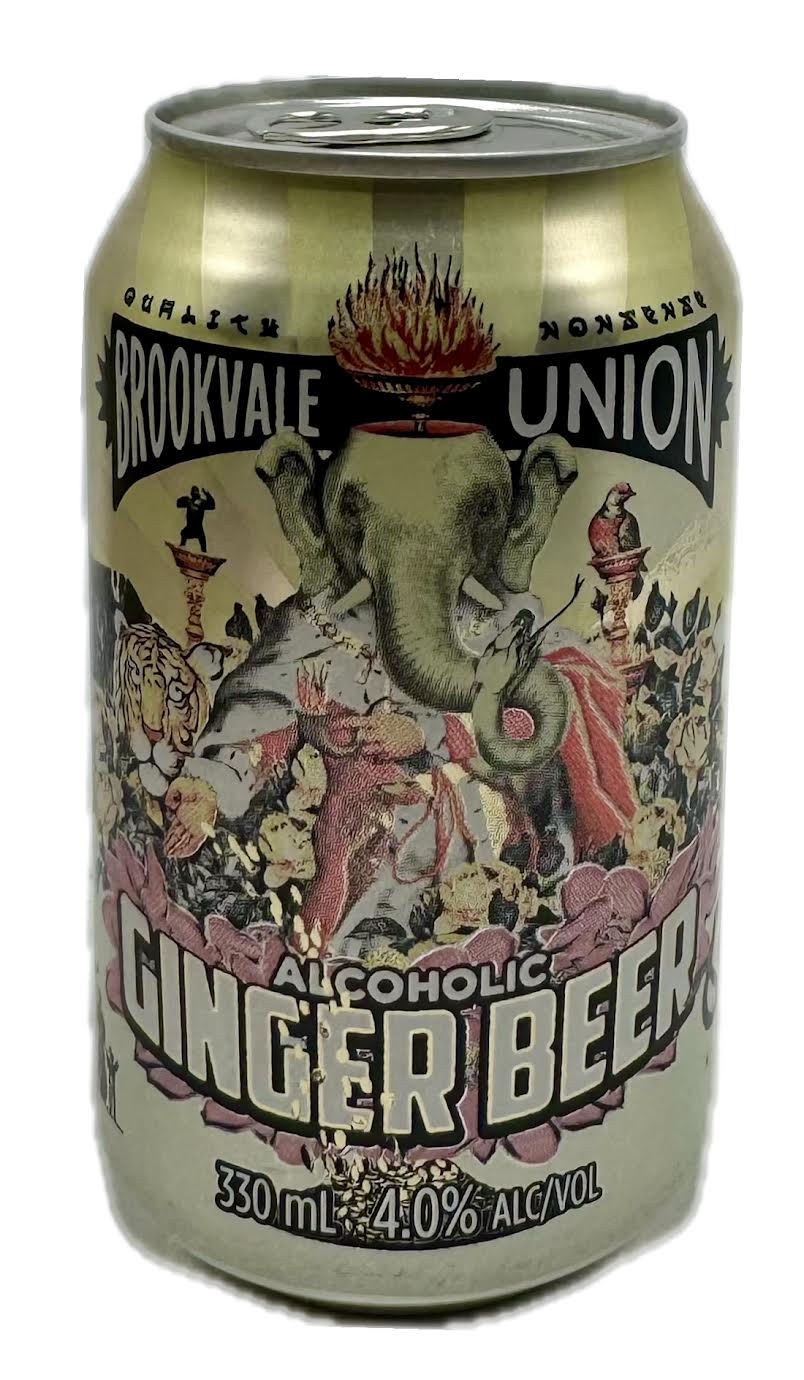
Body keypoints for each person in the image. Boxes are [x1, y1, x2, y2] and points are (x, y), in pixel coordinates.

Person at [177, 486, 215, 552]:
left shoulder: (202, 502)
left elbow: (212, 506)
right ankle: (182, 547)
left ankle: (203, 553)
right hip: (191, 527)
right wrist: (185, 499)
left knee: (201, 540)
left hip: (198, 528)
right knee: (184, 533)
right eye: (194, 492)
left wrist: (207, 494)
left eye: (196, 492)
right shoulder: (189, 501)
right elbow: (178, 504)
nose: (195, 493)